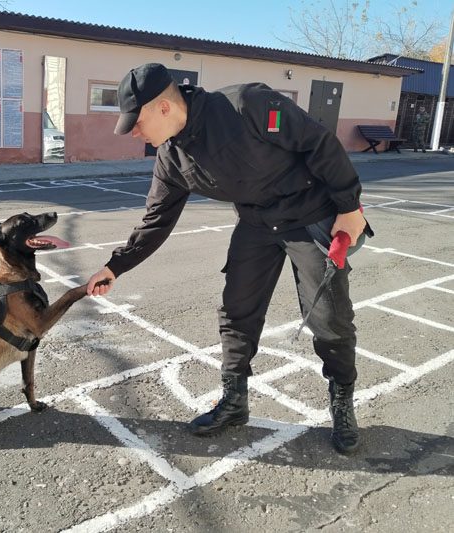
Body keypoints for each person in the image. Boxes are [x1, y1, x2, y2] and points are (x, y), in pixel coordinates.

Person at [86, 63, 372, 454]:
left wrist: (349, 205)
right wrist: (115, 265)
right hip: (256, 222)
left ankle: (342, 405)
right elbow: (156, 220)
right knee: (237, 312)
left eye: (137, 122)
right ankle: (234, 402)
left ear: (163, 108)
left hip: (309, 216)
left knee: (328, 318)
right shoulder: (172, 158)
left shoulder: (248, 104)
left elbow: (317, 142)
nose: (134, 132)